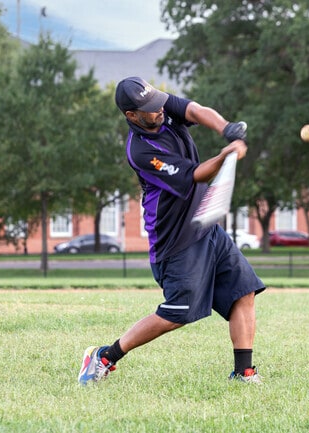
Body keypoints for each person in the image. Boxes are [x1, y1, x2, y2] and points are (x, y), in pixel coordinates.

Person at [78, 77, 266, 385]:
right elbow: (194, 174)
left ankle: (244, 372)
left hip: (205, 225)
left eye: (157, 102)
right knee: (176, 314)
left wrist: (225, 128)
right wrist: (226, 156)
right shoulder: (140, 151)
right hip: (175, 241)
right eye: (150, 109)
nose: (159, 109)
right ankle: (104, 357)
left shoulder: (161, 108)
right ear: (132, 115)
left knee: (243, 292)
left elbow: (195, 110)